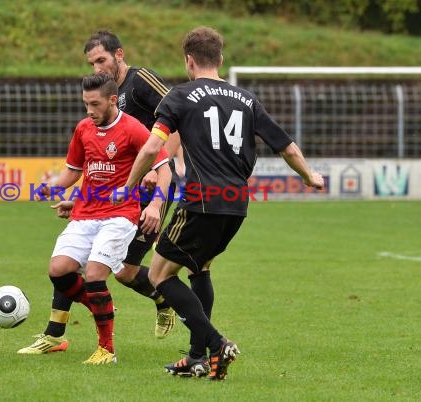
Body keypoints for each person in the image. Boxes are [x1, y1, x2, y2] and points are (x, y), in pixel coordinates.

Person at [118, 27, 324, 380]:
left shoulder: (180, 96)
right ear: (221, 60)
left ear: (189, 61)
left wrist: (129, 184)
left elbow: (153, 147)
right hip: (236, 204)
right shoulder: (246, 99)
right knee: (200, 269)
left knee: (158, 274)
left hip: (201, 201)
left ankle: (216, 342)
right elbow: (287, 146)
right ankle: (198, 358)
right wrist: (309, 176)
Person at [19, 31, 181, 355]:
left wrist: (155, 167)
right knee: (75, 262)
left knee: (125, 272)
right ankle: (54, 333)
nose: (97, 67)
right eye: (92, 62)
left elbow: (176, 119)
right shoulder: (99, 102)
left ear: (119, 55)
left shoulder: (141, 81)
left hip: (154, 185)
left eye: (102, 60)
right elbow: (82, 167)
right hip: (115, 190)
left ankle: (165, 298)